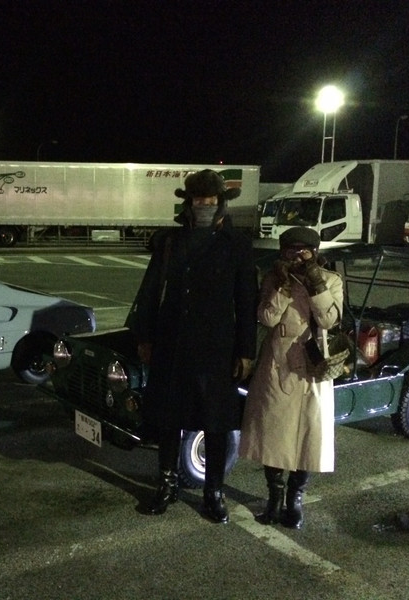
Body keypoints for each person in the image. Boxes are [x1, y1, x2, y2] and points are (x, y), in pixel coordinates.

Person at [126, 169, 258, 523]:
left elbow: (246, 301)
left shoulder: (237, 244)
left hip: (217, 348)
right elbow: (150, 290)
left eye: (211, 200)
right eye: (199, 200)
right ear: (188, 203)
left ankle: (213, 491)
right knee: (168, 419)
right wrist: (145, 337)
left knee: (215, 422)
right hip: (172, 343)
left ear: (221, 203)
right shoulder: (171, 241)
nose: (204, 206)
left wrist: (246, 351)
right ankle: (167, 484)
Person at [239, 226, 344, 529]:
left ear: (315, 252)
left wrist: (315, 283)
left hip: (313, 364)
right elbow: (267, 317)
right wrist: (283, 287)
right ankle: (274, 498)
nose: (298, 256)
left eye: (304, 251)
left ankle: (295, 499)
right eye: (291, 251)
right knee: (273, 433)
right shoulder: (273, 279)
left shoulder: (331, 280)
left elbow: (329, 319)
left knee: (308, 435)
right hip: (278, 363)